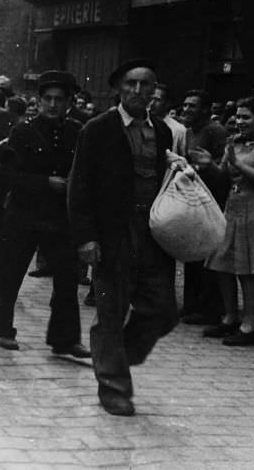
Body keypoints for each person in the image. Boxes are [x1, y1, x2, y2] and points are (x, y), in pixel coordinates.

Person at [68, 59, 179, 417]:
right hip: (112, 234)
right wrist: (86, 237)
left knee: (163, 309)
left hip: (153, 233)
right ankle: (114, 387)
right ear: (119, 88)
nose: (138, 91)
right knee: (110, 313)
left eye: (146, 85)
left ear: (155, 91)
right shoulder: (98, 128)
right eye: (131, 84)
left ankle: (118, 355)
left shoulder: (162, 131)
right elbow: (79, 185)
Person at [0, 71, 90, 358]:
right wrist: (45, 182)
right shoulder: (23, 131)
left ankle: (65, 339)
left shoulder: (77, 131)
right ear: (39, 100)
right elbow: (9, 173)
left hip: (60, 219)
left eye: (59, 100)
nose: (52, 105)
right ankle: (3, 330)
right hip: (24, 214)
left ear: (69, 102)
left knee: (66, 280)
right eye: (47, 99)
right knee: (11, 275)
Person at [196, 96, 254, 346]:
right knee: (222, 263)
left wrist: (237, 164)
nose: (239, 121)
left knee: (248, 269)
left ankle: (249, 326)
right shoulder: (234, 142)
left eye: (246, 117)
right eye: (237, 116)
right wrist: (207, 165)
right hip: (233, 208)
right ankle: (230, 318)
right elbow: (224, 175)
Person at [179, 89, 229, 325]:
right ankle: (191, 304)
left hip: (213, 200)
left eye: (192, 106)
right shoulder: (189, 131)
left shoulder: (216, 131)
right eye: (185, 105)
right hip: (194, 198)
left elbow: (223, 166)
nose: (186, 109)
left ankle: (209, 307)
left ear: (206, 110)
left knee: (208, 256)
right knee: (193, 253)